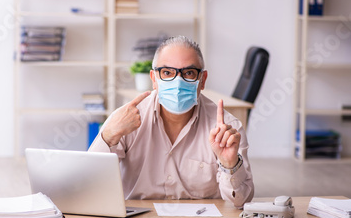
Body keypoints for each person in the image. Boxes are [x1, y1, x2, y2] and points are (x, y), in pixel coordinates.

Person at [89, 35, 254, 208]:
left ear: (202, 80)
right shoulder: (125, 119)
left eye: (189, 73)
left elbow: (241, 201)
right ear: (154, 79)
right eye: (167, 73)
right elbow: (89, 182)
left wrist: (229, 164)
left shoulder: (226, 129)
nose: (178, 82)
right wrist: (108, 136)